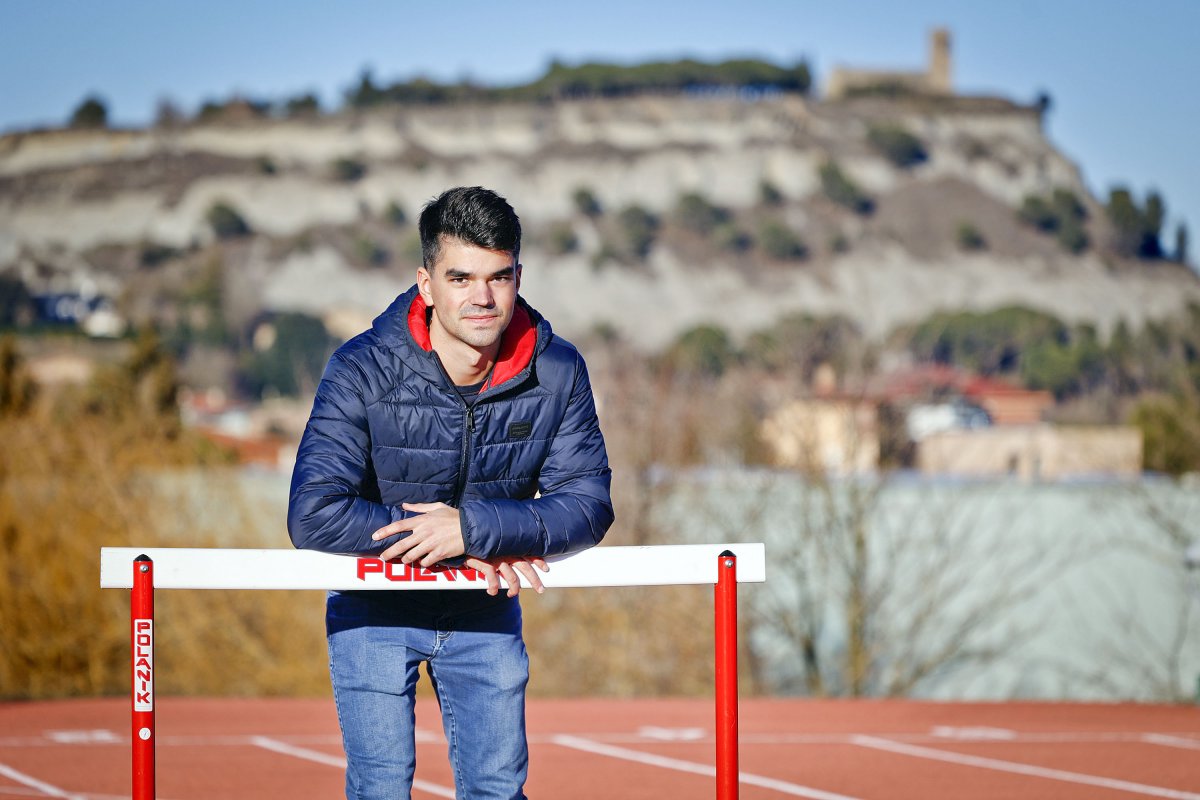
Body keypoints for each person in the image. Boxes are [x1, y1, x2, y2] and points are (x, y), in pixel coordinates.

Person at [287, 186, 614, 799]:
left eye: (499, 277)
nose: (482, 298)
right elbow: (312, 515)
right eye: (460, 277)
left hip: (485, 609)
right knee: (381, 790)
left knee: (497, 790)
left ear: (519, 276)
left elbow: (589, 504)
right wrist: (446, 538)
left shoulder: (559, 370)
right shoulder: (360, 368)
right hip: (374, 608)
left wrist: (472, 529)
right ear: (425, 281)